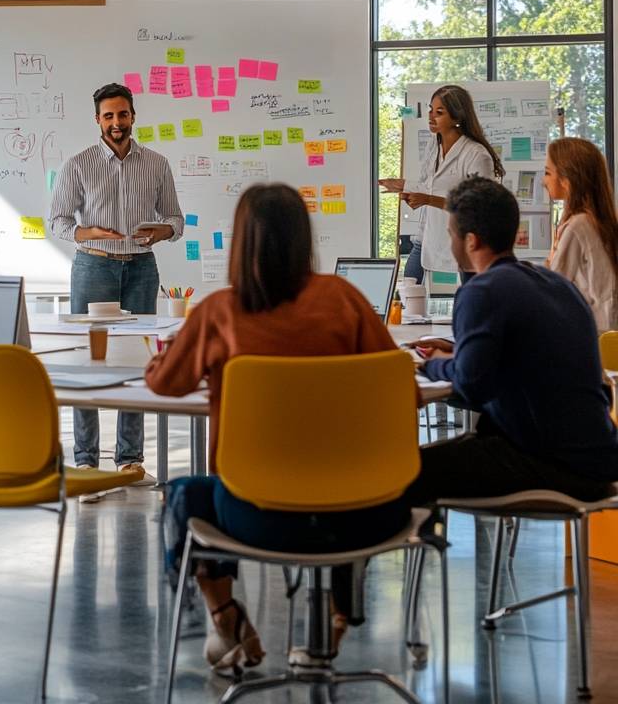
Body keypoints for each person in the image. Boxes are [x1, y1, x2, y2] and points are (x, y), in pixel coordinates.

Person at [145, 184, 407, 671]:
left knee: (183, 495)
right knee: (362, 490)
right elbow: (401, 392)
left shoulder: (219, 312)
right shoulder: (346, 300)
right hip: (362, 513)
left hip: (255, 515)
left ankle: (225, 617)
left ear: (241, 242)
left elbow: (165, 383)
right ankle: (337, 614)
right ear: (304, 238)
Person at [409, 177, 618, 506]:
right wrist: (462, 353)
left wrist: (432, 364)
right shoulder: (556, 285)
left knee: (404, 471)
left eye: (451, 235)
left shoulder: (480, 290)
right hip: (601, 460)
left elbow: (470, 387)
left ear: (472, 241)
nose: (450, 243)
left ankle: (380, 548)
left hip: (550, 464)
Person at [48, 82, 184, 493]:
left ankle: (130, 461)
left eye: (122, 115)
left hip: (142, 268)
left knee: (138, 365)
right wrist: (87, 232)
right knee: (87, 363)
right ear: (97, 120)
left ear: (133, 116)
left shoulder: (157, 164)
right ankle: (86, 463)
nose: (116, 123)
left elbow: (176, 220)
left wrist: (160, 232)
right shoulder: (78, 165)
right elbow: (57, 222)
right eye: (108, 116)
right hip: (94, 267)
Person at [379, 84, 504, 285]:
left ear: (456, 117)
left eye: (439, 112)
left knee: (471, 298)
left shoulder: (476, 154)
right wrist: (403, 186)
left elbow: (478, 207)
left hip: (466, 242)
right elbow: (429, 186)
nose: (431, 116)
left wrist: (427, 200)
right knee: (406, 291)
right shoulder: (434, 145)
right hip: (429, 235)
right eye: (430, 109)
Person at [543, 137, 618, 333]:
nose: (544, 181)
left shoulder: (578, 225)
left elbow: (555, 283)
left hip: (594, 332)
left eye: (548, 173)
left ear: (567, 181)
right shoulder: (601, 220)